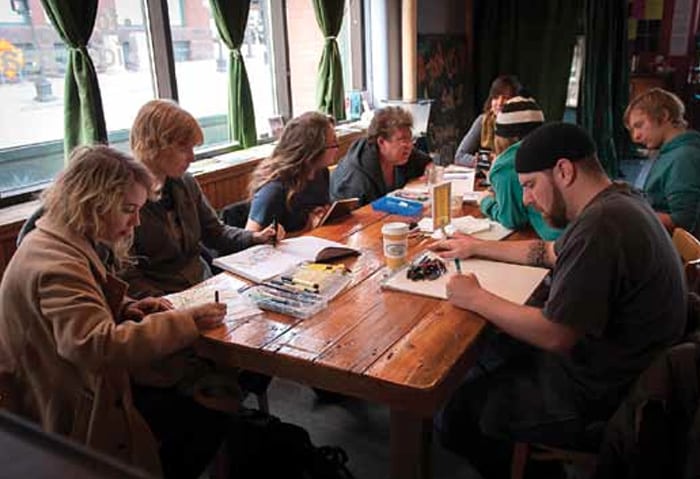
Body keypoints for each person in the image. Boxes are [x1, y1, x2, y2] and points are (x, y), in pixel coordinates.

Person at [431, 122, 686, 478]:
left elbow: (556, 334)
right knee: (490, 352)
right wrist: (477, 247)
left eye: (530, 185)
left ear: (564, 171)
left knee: (455, 414)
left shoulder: (601, 228)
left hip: (603, 395)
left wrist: (475, 297)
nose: (526, 200)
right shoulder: (620, 199)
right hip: (627, 364)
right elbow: (551, 251)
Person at [0, 145, 229, 477]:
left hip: (67, 385)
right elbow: (96, 347)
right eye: (128, 210)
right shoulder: (57, 264)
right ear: (93, 203)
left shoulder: (60, 241)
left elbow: (79, 307)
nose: (135, 221)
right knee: (210, 407)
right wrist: (185, 321)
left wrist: (126, 306)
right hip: (60, 412)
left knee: (199, 394)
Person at [123, 99, 281, 298]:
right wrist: (162, 305)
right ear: (154, 146)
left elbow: (215, 233)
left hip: (203, 286)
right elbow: (127, 274)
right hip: (162, 299)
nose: (192, 157)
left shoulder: (186, 184)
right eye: (184, 148)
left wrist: (255, 237)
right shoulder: (126, 198)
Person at [479, 96, 562, 240]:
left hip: (560, 246)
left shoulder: (505, 167)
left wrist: (486, 202)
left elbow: (512, 220)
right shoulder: (558, 147)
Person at [624, 87, 700, 237]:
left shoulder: (684, 157)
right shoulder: (669, 153)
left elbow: (684, 221)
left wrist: (631, 213)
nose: (635, 137)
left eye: (639, 125)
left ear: (664, 115)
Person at [246, 111, 336, 234]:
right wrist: (307, 228)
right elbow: (251, 243)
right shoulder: (273, 190)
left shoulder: (320, 172)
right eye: (333, 145)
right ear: (313, 151)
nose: (337, 149)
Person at [329, 106, 431, 206]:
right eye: (402, 140)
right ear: (381, 142)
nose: (409, 145)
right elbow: (348, 219)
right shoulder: (356, 177)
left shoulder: (399, 153)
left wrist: (429, 171)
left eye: (410, 139)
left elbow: (426, 162)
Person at [454, 74, 522, 167]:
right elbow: (460, 156)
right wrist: (485, 161)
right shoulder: (483, 120)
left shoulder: (522, 123)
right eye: (496, 97)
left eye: (506, 98)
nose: (499, 103)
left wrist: (499, 160)